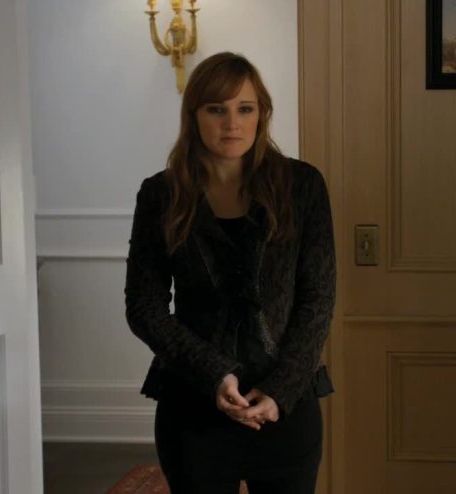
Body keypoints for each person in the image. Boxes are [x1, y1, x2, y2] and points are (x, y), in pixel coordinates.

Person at [125, 52, 335, 493]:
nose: (232, 123)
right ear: (194, 115)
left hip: (286, 407)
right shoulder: (161, 194)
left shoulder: (303, 186)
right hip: (193, 407)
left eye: (245, 108)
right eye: (216, 109)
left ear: (262, 114)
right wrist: (215, 374)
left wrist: (279, 389)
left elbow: (317, 300)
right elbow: (144, 307)